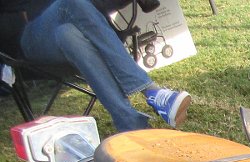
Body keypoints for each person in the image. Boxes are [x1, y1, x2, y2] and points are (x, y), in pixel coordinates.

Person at [0, 0, 190, 131]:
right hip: (29, 36)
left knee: (68, 35)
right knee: (71, 2)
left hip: (76, 27)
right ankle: (152, 91)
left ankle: (130, 124)